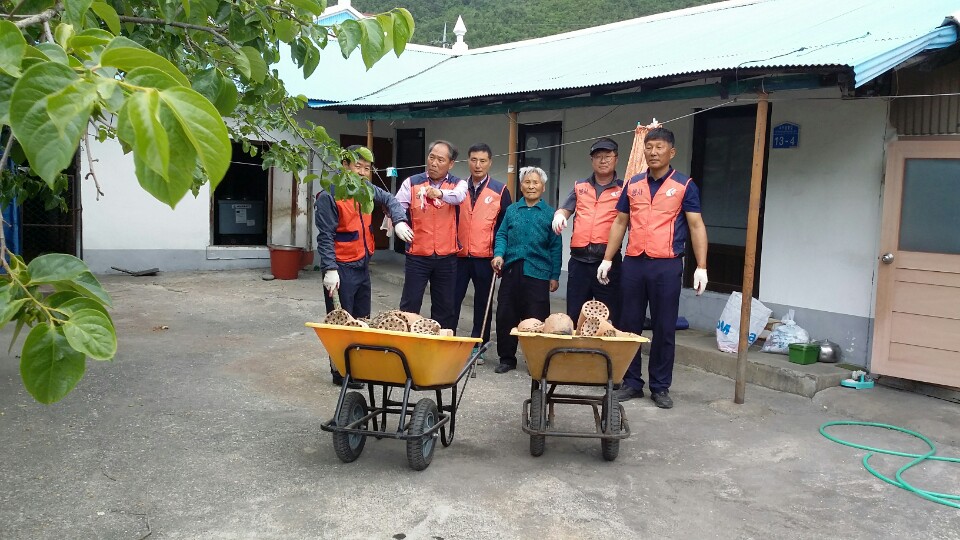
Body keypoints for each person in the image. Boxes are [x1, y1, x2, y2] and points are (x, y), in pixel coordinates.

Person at [598, 126, 708, 409]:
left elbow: (696, 225)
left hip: (667, 265)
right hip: (634, 263)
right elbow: (620, 222)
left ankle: (660, 387)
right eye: (649, 147)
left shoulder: (684, 185)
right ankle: (632, 382)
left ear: (672, 152)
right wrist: (608, 259)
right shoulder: (633, 184)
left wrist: (701, 266)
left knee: (664, 327)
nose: (654, 152)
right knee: (629, 324)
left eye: (660, 147)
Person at [316, 145, 414, 386]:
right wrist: (329, 268)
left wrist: (399, 220)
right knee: (341, 322)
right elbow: (325, 236)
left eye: (367, 168)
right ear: (345, 165)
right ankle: (340, 372)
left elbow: (390, 199)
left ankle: (359, 368)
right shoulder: (330, 194)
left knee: (362, 320)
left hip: (362, 265)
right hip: (340, 267)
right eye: (357, 166)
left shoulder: (367, 190)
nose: (361, 172)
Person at [491, 167, 561, 374]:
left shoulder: (550, 214)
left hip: (538, 273)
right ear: (521, 186)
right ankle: (507, 358)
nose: (531, 186)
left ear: (543, 186)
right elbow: (502, 235)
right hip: (512, 270)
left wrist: (554, 275)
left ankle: (536, 361)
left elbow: (556, 246)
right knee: (506, 315)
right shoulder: (512, 210)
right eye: (527, 182)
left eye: (535, 182)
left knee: (537, 318)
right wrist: (499, 254)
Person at [552, 137, 624, 327]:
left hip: (607, 263)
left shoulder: (624, 189)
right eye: (598, 156)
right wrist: (559, 216)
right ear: (591, 160)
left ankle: (602, 356)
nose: (602, 160)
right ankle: (576, 355)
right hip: (579, 263)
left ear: (616, 159)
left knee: (607, 316)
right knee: (575, 315)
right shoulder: (580, 187)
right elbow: (565, 209)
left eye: (607, 156)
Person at [396, 140, 467, 331]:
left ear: (450, 164)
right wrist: (399, 222)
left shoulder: (458, 184)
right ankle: (406, 346)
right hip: (417, 255)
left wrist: (438, 193)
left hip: (447, 257)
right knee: (410, 304)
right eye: (431, 157)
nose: (434, 163)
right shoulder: (411, 183)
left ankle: (442, 350)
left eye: (440, 160)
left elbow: (459, 196)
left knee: (445, 307)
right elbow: (396, 207)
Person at [454, 143, 512, 364]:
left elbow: (504, 227)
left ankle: (478, 346)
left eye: (483, 161)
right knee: (452, 301)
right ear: (467, 161)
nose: (478, 165)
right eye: (474, 160)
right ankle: (448, 343)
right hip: (457, 255)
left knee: (482, 305)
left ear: (490, 163)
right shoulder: (457, 188)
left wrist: (500, 254)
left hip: (486, 257)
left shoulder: (500, 190)